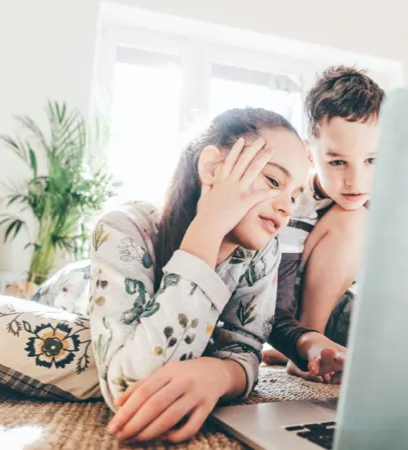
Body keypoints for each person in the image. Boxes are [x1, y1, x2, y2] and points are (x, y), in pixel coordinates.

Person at [31, 108, 309, 443]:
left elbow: (246, 346)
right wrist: (209, 225)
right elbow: (130, 385)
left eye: (295, 196)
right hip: (71, 290)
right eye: (274, 181)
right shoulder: (123, 227)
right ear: (212, 169)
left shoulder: (263, 251)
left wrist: (219, 374)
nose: (287, 207)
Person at [265, 66, 384, 383]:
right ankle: (308, 351)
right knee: (352, 218)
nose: (355, 180)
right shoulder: (294, 205)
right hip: (314, 319)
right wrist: (301, 341)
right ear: (310, 156)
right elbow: (279, 304)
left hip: (364, 306)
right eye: (337, 162)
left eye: (372, 160)